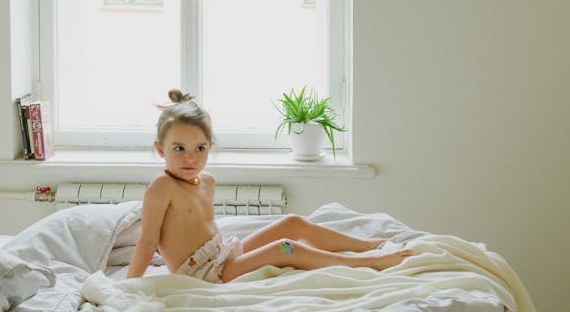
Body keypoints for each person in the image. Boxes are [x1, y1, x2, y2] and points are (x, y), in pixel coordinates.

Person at [126, 90, 413, 282]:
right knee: (285, 248)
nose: (191, 158)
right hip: (203, 274)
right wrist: (130, 287)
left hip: (223, 253)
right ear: (160, 150)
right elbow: (148, 242)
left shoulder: (207, 182)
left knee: (292, 222)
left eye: (199, 148)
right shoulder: (162, 188)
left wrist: (230, 252)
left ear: (210, 147)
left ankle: (368, 245)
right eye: (179, 148)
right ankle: (368, 263)